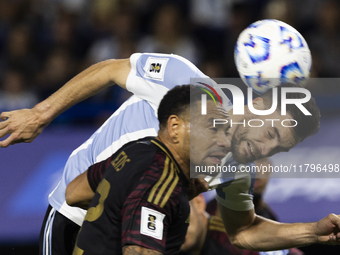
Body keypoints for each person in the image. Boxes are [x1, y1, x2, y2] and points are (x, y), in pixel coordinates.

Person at [0, 53, 338, 255]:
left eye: (278, 148)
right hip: (73, 219)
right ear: (259, 105)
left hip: (141, 236)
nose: (265, 149)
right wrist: (41, 113)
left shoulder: (237, 169)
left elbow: (242, 232)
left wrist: (313, 231)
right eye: (271, 133)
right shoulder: (185, 81)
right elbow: (110, 70)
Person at [65, 85, 230, 254]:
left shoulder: (137, 150)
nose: (225, 142)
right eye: (213, 129)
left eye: (226, 132)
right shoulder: (162, 182)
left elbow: (74, 193)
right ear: (175, 127)